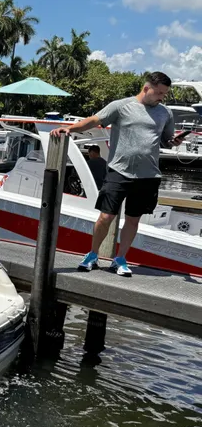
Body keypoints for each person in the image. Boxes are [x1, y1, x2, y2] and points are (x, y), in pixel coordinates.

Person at [50, 71, 184, 276]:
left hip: (148, 175)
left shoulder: (165, 112)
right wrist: (70, 128)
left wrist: (174, 141)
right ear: (146, 88)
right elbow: (95, 120)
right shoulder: (121, 106)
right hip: (118, 170)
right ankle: (93, 255)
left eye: (164, 94)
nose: (161, 98)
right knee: (105, 216)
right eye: (158, 93)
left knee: (133, 220)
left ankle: (120, 259)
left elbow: (165, 139)